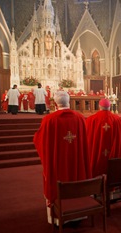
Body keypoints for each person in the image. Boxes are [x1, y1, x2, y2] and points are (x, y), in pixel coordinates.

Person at [33, 90, 91, 224]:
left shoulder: (49, 120)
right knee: (77, 176)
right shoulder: (80, 118)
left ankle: (59, 219)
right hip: (77, 161)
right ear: (69, 101)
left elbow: (39, 140)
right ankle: (79, 214)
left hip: (58, 163)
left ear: (55, 103)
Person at [86, 98, 121, 177]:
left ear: (99, 106)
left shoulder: (91, 120)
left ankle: (94, 183)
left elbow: (88, 140)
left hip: (96, 156)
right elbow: (120, 141)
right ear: (109, 107)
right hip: (113, 158)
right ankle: (114, 181)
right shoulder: (117, 119)